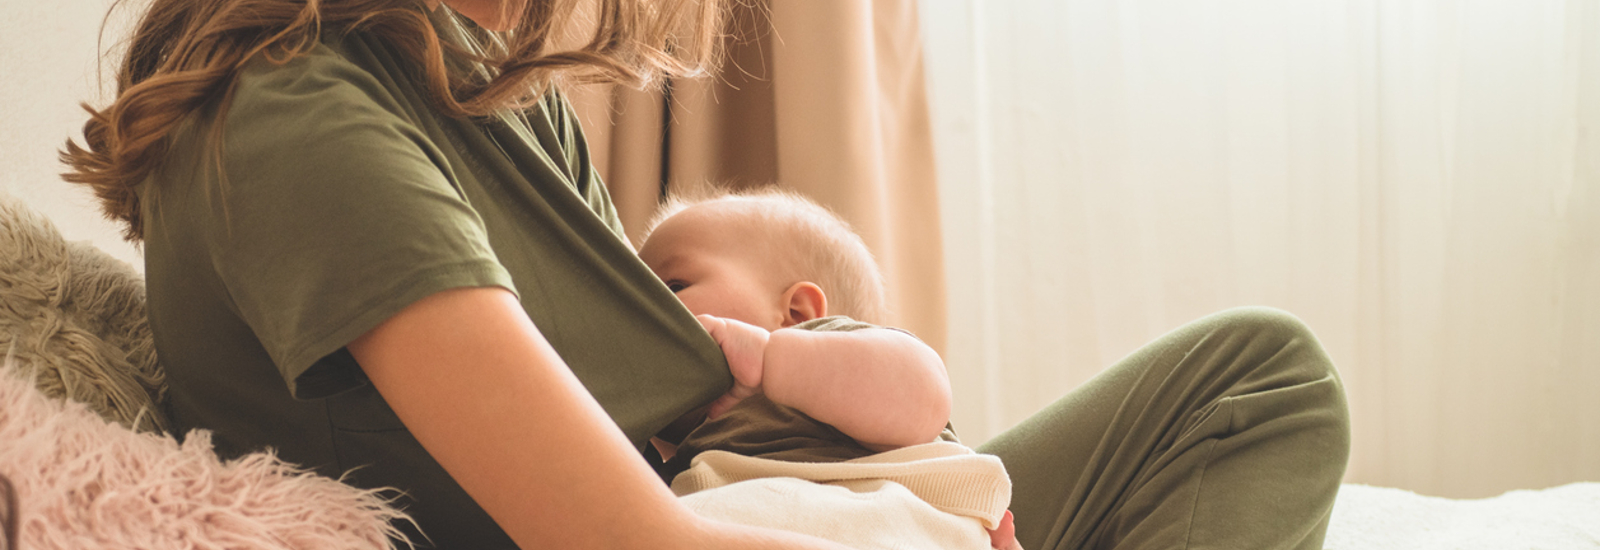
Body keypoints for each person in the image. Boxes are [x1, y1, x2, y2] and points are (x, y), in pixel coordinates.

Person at [61, 0, 1352, 548]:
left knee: (1258, 380)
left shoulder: (492, 89)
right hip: (701, 520)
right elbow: (629, 539)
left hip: (766, 488)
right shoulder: (300, 115)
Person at [635, 188, 1015, 550]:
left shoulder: (837, 368)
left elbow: (926, 398)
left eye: (673, 286)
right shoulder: (680, 462)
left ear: (798, 314)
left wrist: (769, 358)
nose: (646, 312)